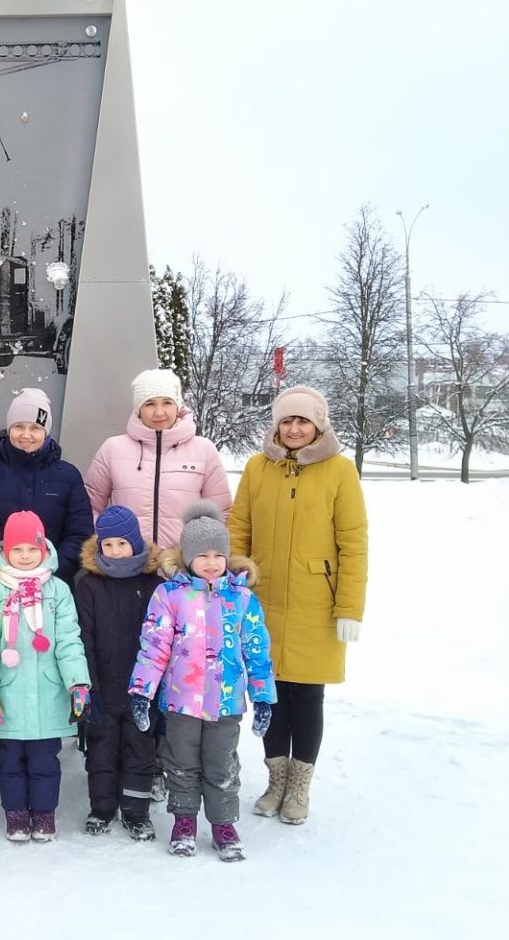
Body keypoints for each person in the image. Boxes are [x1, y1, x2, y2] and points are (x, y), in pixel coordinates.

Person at [228, 385, 368, 825]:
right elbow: (238, 529)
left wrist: (349, 607)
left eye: (302, 421)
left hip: (316, 603)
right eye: (286, 421)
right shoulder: (257, 467)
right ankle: (276, 781)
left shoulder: (340, 471)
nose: (293, 429)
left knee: (307, 696)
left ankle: (300, 788)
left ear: (318, 425)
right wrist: (234, 584)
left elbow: (354, 542)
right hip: (262, 602)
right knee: (270, 694)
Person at [0, 388, 94, 787]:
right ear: (9, 428)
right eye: (19, 426)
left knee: (40, 675)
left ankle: (40, 754)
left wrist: (52, 572)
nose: (26, 435)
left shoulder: (66, 475)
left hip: (47, 595)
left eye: (34, 427)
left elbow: (79, 532)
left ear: (46, 431)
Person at [128, 501, 276, 862]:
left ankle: (223, 824)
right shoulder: (170, 596)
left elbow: (257, 651)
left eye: (218, 554)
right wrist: (141, 692)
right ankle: (183, 822)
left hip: (226, 703)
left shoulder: (242, 599)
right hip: (181, 702)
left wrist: (264, 697)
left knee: (222, 763)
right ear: (187, 557)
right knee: (181, 761)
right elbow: (154, 647)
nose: (211, 562)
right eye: (202, 555)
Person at [0, 511, 91, 843]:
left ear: (44, 548)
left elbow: (69, 640)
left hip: (48, 693)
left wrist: (77, 683)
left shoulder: (59, 591)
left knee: (44, 760)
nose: (25, 556)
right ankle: (15, 813)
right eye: (17, 549)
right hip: (8, 693)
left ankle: (43, 813)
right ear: (5, 551)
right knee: (9, 760)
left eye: (31, 549)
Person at [74, 505, 162, 839]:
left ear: (135, 543)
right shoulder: (88, 583)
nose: (115, 551)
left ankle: (137, 812)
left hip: (141, 688)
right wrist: (90, 686)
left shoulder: (153, 583)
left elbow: (160, 638)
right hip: (103, 686)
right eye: (107, 545)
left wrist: (154, 687)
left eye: (121, 544)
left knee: (140, 749)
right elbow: (84, 636)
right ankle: (102, 808)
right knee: (101, 750)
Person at [84, 369, 231, 548]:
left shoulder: (204, 450)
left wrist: (200, 555)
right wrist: (110, 545)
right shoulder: (112, 449)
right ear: (139, 409)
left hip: (182, 568)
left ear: (177, 406)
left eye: (167, 402)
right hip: (126, 567)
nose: (159, 412)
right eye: (150, 404)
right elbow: (89, 508)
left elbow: (220, 514)